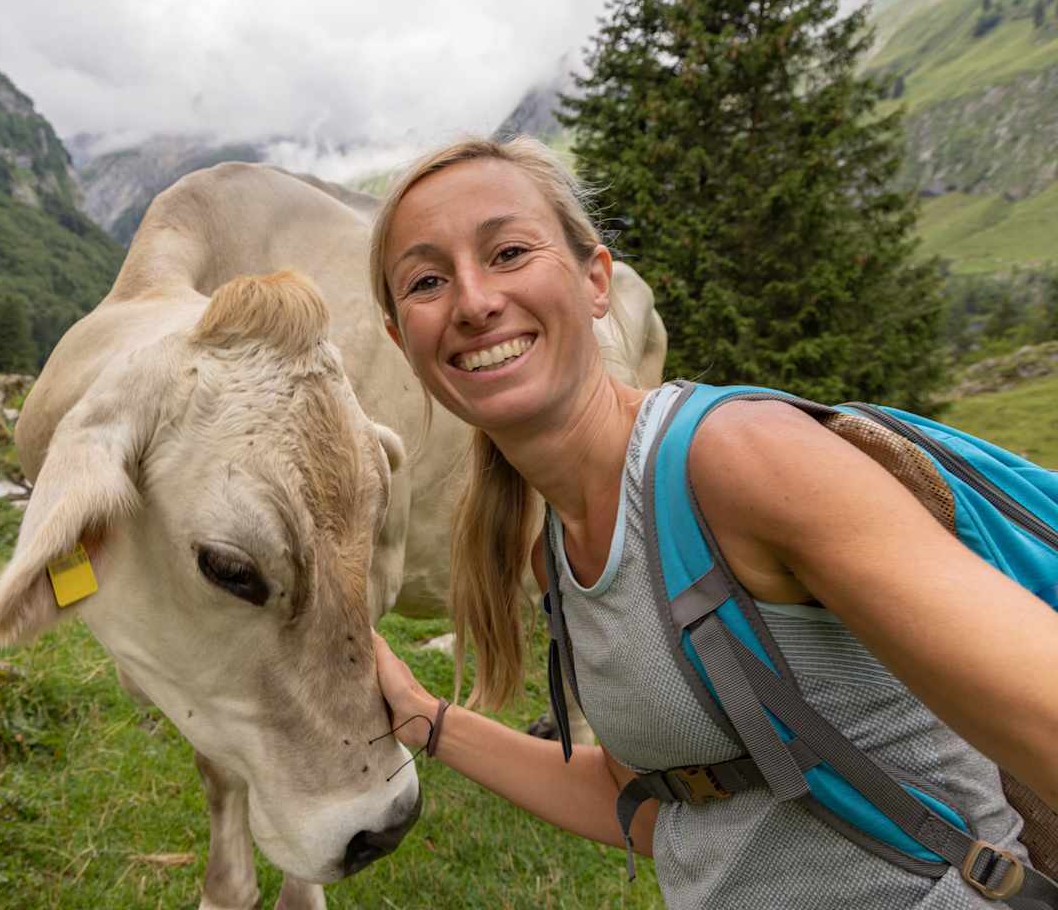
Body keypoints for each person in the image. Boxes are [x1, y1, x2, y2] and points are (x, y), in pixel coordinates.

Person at [367, 135, 1058, 908]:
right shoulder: (557, 555)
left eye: (508, 252)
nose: (473, 301)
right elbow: (659, 805)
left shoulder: (739, 462)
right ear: (402, 339)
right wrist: (424, 719)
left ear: (597, 281)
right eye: (428, 280)